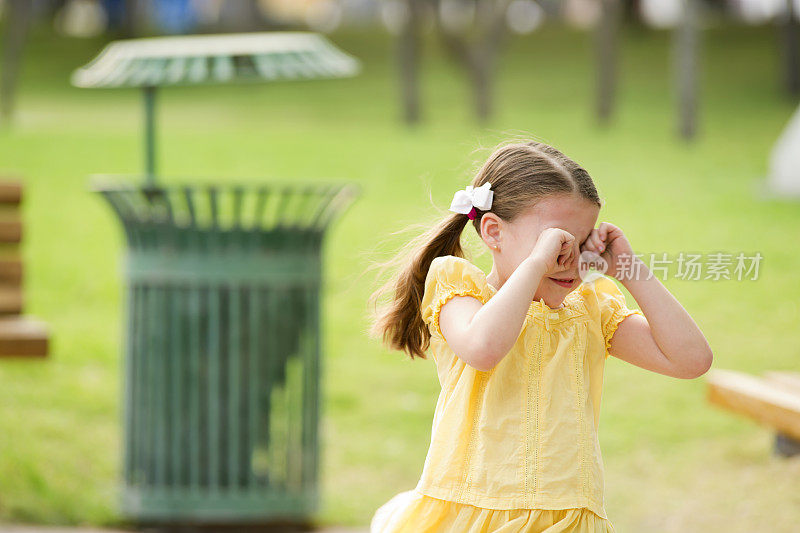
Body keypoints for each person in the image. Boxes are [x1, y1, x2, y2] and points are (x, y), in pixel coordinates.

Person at [366, 139, 714, 532]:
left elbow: (691, 360)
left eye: (580, 243)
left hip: (567, 520)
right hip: (474, 515)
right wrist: (536, 262)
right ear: (493, 232)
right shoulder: (460, 288)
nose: (568, 258)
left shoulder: (589, 309)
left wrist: (629, 268)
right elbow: (483, 349)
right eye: (555, 240)